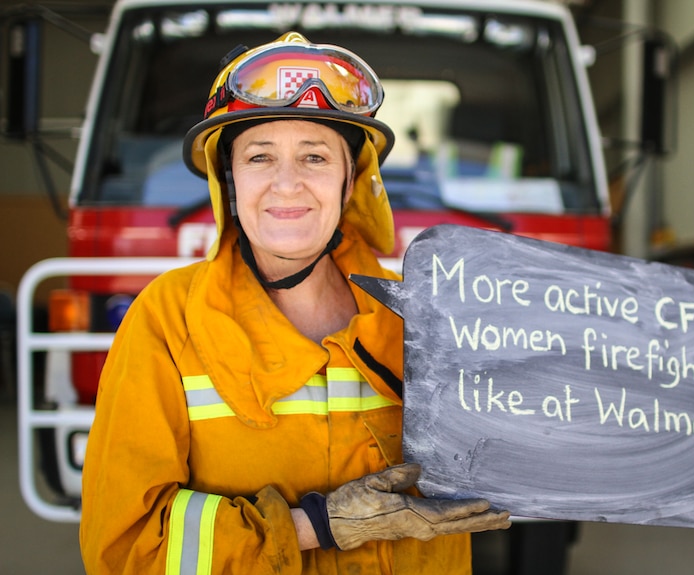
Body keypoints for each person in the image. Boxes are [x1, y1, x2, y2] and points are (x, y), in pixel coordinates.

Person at [80, 32, 510, 574]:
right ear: (229, 180)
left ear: (351, 181)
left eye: (315, 157)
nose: (287, 185)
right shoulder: (168, 320)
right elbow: (126, 545)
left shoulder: (425, 316)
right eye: (260, 157)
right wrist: (320, 524)